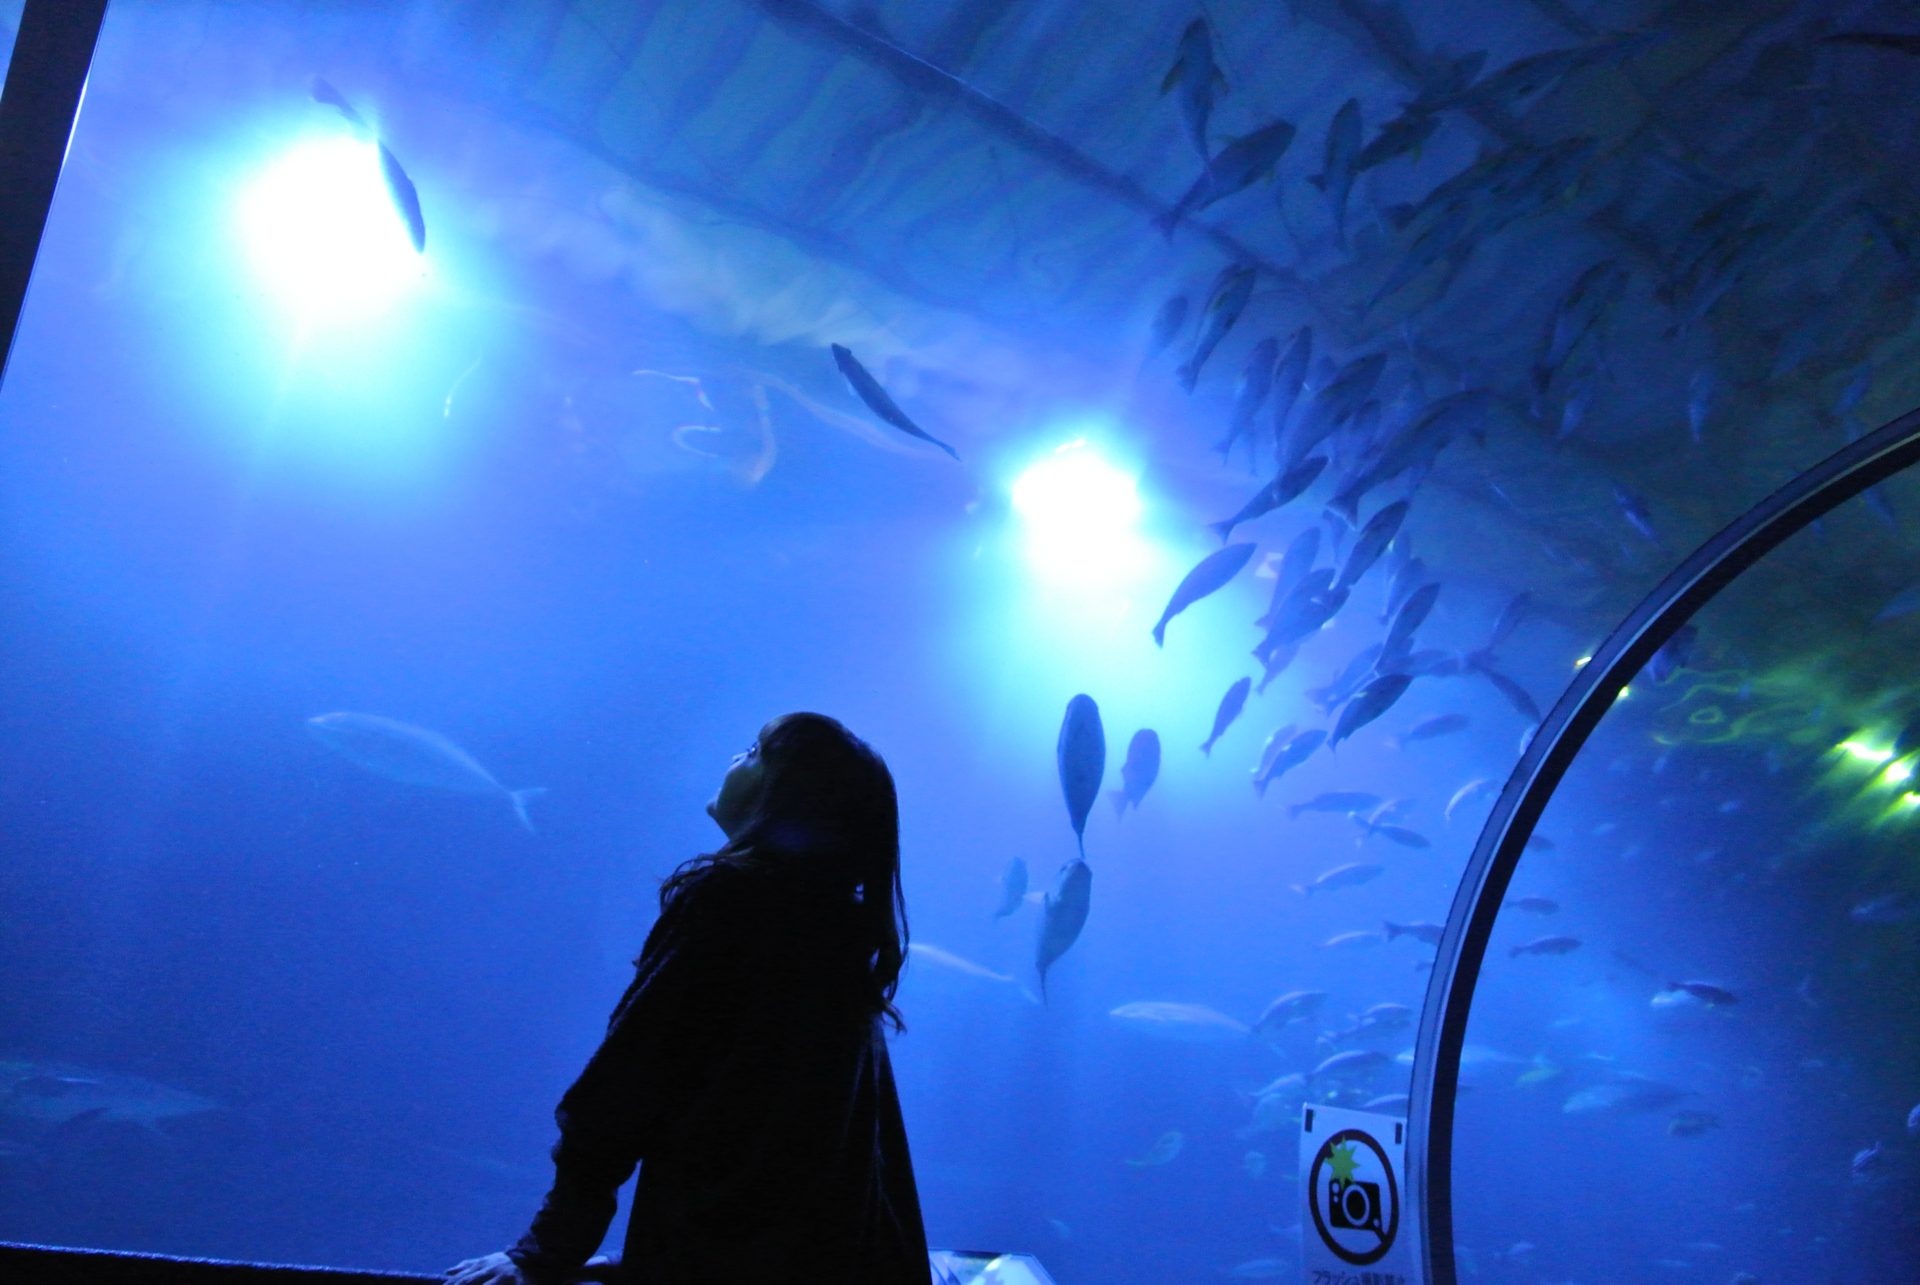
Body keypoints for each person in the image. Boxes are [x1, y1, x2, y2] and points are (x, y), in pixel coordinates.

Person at [445, 713, 929, 1284]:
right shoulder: (838, 930)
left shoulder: (732, 900)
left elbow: (631, 1077)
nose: (734, 759)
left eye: (754, 751)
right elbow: (812, 1135)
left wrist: (549, 1247)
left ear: (788, 790)